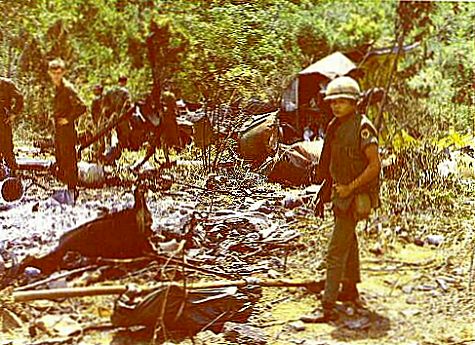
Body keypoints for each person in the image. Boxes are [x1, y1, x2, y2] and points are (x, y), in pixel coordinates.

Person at [311, 76, 381, 322]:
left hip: (354, 196)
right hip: (340, 195)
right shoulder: (336, 126)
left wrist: (350, 187)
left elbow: (375, 166)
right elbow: (332, 163)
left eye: (342, 101)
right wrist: (326, 191)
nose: (336, 106)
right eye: (333, 102)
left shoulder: (363, 127)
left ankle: (327, 305)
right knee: (348, 243)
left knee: (335, 251)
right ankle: (349, 290)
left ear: (354, 103)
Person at [48, 58, 87, 202]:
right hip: (59, 131)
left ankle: (73, 190)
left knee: (69, 159)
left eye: (59, 72)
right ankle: (68, 189)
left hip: (67, 130)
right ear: (50, 73)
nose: (56, 75)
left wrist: (68, 119)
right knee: (61, 159)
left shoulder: (67, 88)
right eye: (54, 73)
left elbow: (82, 106)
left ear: (63, 72)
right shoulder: (57, 89)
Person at [0, 77, 24, 171]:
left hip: (3, 123)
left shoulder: (7, 84)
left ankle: (14, 181)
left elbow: (20, 98)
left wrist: (14, 113)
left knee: (8, 154)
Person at [90, 83, 105, 160]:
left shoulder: (99, 99)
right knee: (99, 139)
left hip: (100, 121)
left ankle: (99, 155)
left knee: (99, 139)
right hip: (98, 121)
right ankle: (97, 155)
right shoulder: (98, 99)